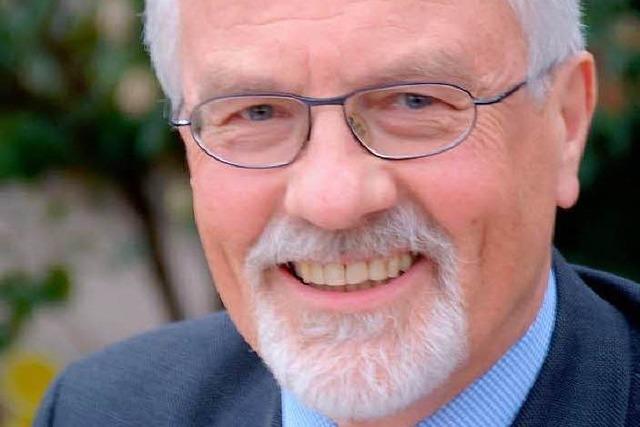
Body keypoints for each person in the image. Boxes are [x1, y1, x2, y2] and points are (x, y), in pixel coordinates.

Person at [35, 0, 640, 426]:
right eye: (256, 113)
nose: (333, 202)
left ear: (565, 125)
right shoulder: (99, 411)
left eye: (414, 101)